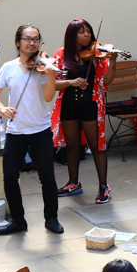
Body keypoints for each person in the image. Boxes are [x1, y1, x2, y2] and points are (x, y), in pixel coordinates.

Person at [0, 24, 63, 235]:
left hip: (40, 130)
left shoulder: (43, 68)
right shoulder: (8, 67)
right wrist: (3, 108)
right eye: (28, 39)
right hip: (16, 131)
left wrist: (50, 75)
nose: (32, 43)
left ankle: (51, 219)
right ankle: (18, 220)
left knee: (47, 177)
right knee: (10, 176)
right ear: (18, 42)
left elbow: (48, 97)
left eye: (36, 39)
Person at [53, 19, 119, 205]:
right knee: (72, 146)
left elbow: (107, 80)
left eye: (88, 31)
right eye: (82, 32)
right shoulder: (61, 54)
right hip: (68, 105)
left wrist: (112, 61)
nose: (87, 35)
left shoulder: (98, 55)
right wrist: (71, 82)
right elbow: (54, 82)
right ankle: (74, 183)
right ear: (72, 35)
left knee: (97, 145)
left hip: (90, 105)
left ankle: (104, 187)